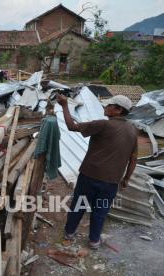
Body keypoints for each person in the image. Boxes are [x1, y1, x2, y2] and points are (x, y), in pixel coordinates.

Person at [57, 94, 138, 249]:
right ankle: (94, 241)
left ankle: (69, 233)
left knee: (79, 205)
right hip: (112, 182)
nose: (105, 107)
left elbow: (71, 126)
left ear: (118, 110)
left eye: (109, 106)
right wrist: (126, 178)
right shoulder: (132, 130)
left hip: (89, 177)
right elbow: (133, 158)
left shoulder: (103, 125)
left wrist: (65, 105)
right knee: (100, 211)